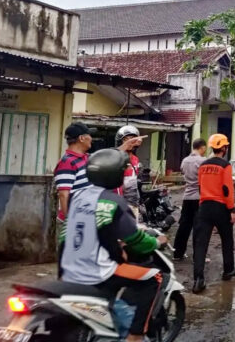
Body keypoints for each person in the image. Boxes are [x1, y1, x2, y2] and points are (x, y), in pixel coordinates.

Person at [61, 148, 168, 342]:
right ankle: (136, 335)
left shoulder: (78, 198)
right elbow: (135, 239)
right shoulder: (114, 202)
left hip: (67, 267)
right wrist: (155, 242)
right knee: (155, 278)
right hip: (97, 269)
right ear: (115, 175)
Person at [192, 134, 235, 293]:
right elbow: (227, 190)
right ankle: (228, 270)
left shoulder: (203, 165)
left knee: (200, 244)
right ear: (224, 148)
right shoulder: (225, 166)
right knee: (227, 239)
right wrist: (232, 210)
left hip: (204, 206)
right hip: (220, 206)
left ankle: (198, 280)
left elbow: (200, 187)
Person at [54, 122, 96, 226]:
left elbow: (107, 157)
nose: (91, 138)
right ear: (81, 138)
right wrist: (70, 222)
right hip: (74, 220)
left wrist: (125, 146)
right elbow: (63, 195)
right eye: (89, 135)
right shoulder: (67, 162)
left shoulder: (85, 157)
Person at [172, 138, 208, 260]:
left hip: (187, 196)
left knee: (184, 226)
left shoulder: (185, 160)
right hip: (199, 197)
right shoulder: (203, 161)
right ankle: (197, 256)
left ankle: (177, 253)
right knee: (199, 227)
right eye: (205, 148)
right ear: (202, 147)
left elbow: (183, 172)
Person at [115, 125, 143, 210]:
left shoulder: (135, 159)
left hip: (133, 199)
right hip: (118, 199)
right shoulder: (116, 156)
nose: (130, 142)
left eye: (132, 139)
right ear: (120, 141)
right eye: (126, 139)